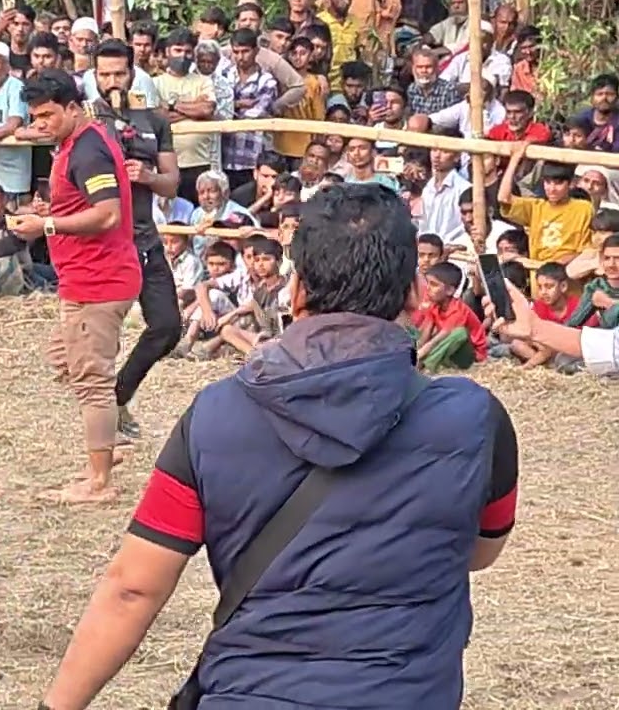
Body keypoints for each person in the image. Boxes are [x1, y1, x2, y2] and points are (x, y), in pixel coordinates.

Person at [38, 184, 519, 708]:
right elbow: (478, 551)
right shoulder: (474, 420)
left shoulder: (216, 416)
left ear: (296, 290)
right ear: (414, 292)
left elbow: (132, 589)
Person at [8, 70, 140, 504]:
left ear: (72, 108)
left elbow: (107, 214)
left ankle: (99, 481)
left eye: (47, 115)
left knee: (91, 380)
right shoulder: (78, 144)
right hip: (87, 278)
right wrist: (53, 212)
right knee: (66, 359)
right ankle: (106, 440)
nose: (40, 124)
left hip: (97, 281)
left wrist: (46, 223)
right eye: (35, 117)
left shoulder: (87, 151)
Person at [87, 39, 181, 441]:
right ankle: (100, 418)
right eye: (104, 74)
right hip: (105, 243)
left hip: (145, 238)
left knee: (168, 327)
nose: (112, 81)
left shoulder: (154, 120)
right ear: (94, 75)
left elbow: (172, 183)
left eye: (119, 73)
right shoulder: (87, 122)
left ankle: (119, 395)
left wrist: (148, 176)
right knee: (101, 336)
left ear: (132, 73)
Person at [489, 278, 619, 376]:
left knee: (562, 361)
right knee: (511, 345)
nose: (544, 292)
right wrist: (532, 329)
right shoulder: (539, 306)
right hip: (551, 345)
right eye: (540, 287)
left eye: (549, 286)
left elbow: (600, 346)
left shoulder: (575, 304)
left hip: (570, 350)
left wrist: (526, 367)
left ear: (563, 286)